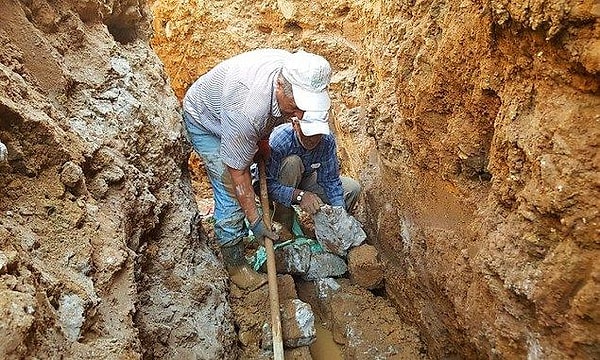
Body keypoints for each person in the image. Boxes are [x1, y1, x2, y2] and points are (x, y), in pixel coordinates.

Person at [182, 48, 333, 290]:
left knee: (248, 158)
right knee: (231, 192)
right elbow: (238, 173)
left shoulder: (300, 72)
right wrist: (256, 222)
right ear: (280, 87)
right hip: (205, 121)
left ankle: (262, 216)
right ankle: (236, 263)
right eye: (296, 107)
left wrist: (261, 142)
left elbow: (266, 120)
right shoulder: (248, 109)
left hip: (238, 116)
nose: (300, 115)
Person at [265, 111, 361, 239]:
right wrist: (300, 196)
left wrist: (339, 215)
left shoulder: (326, 140)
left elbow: (331, 180)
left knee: (352, 189)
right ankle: (283, 226)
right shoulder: (279, 140)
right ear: (295, 125)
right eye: (308, 133)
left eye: (317, 134)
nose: (313, 139)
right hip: (281, 182)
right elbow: (266, 185)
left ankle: (330, 234)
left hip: (307, 176)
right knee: (293, 162)